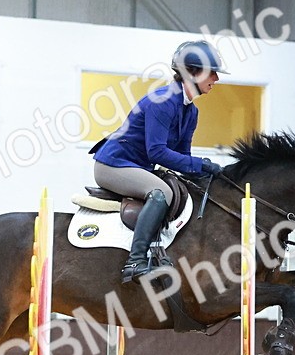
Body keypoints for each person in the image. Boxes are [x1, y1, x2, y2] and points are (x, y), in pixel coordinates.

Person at [92, 40, 227, 282]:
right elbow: (157, 152)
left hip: (136, 166)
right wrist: (201, 164)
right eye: (212, 73)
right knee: (161, 191)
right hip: (113, 165)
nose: (216, 79)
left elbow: (183, 157)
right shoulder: (164, 100)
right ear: (192, 73)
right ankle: (135, 261)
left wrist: (209, 175)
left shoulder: (191, 111)